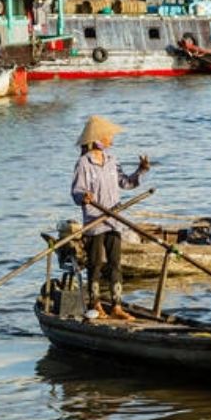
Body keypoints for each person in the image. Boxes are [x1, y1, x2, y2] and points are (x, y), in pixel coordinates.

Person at [69, 114, 150, 320]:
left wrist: (140, 171)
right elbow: (77, 191)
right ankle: (95, 303)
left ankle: (117, 305)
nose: (111, 139)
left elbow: (126, 183)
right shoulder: (84, 163)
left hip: (114, 219)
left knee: (115, 263)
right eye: (107, 135)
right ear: (97, 139)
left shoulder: (113, 161)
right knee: (95, 264)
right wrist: (84, 197)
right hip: (95, 221)